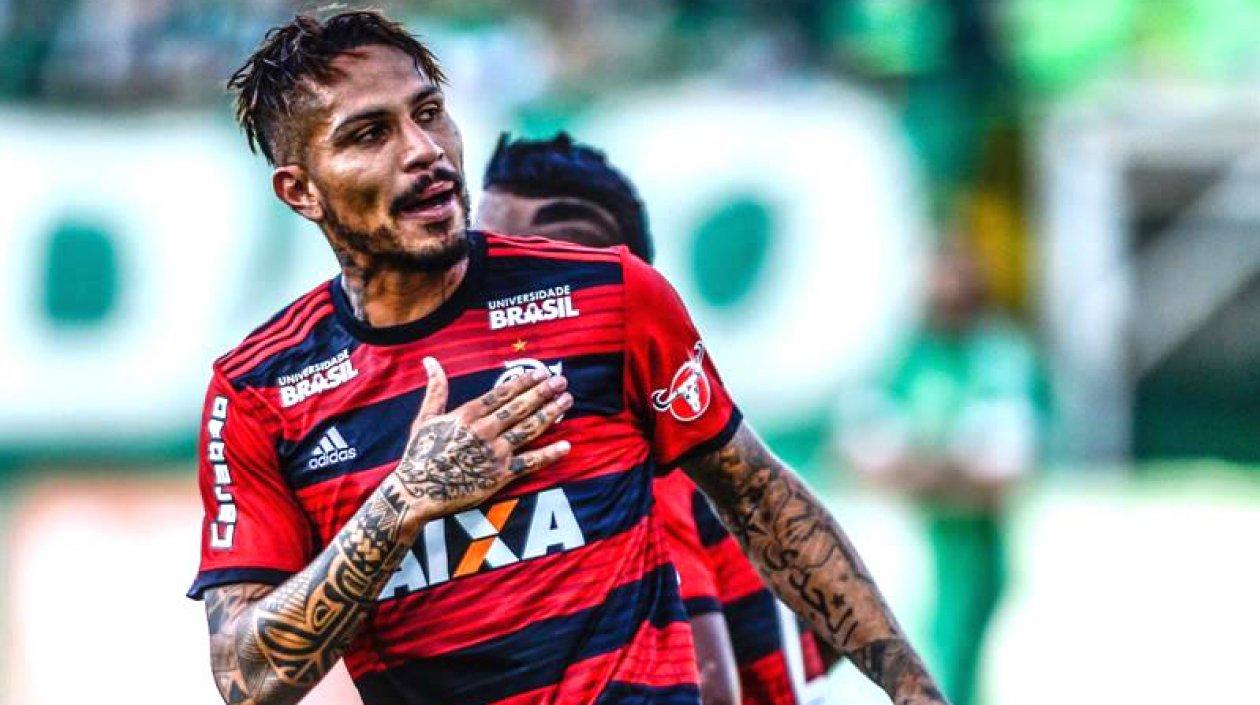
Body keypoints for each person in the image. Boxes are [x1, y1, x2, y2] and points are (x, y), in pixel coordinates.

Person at [189, 11, 947, 705]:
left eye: (428, 113)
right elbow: (246, 679)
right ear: (300, 191)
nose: (422, 151)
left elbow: (759, 499)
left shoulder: (610, 294)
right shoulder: (257, 391)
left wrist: (913, 690)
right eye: (369, 135)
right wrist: (401, 502)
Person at [476, 131, 836, 705]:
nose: (481, 296)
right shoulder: (685, 442)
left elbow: (705, 685)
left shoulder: (627, 464)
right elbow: (821, 636)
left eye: (521, 277)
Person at [837, 240, 1042, 705]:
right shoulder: (905, 355)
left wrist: (920, 469)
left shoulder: (999, 357)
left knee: (956, 671)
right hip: (899, 548)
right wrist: (941, 467)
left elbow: (1004, 466)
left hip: (971, 550)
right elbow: (855, 449)